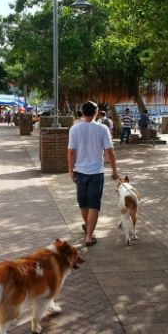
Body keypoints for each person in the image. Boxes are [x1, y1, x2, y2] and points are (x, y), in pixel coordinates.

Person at [68, 100, 118, 246]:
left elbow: (71, 152)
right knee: (94, 205)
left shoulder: (74, 129)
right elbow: (110, 151)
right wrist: (114, 170)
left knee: (83, 204)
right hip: (97, 172)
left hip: (80, 172)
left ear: (82, 113)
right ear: (96, 112)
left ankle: (88, 228)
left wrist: (70, 170)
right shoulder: (103, 129)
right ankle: (89, 235)